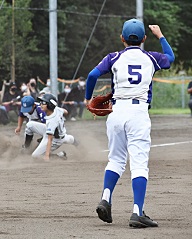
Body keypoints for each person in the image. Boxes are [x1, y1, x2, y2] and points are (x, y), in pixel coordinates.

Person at [84, 19, 175, 228]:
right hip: (138, 113)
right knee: (139, 164)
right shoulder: (152, 57)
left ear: (121, 38)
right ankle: (137, 212)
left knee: (115, 160)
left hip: (116, 113)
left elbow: (92, 75)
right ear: (143, 39)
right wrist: (160, 35)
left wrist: (89, 98)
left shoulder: (113, 57)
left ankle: (106, 198)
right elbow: (170, 58)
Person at [32, 93, 78, 160]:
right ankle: (78, 145)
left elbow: (50, 139)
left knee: (35, 156)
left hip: (55, 140)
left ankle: (59, 156)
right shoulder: (57, 109)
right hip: (63, 135)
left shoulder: (52, 120)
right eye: (41, 102)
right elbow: (66, 112)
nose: (40, 104)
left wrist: (47, 156)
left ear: (50, 105)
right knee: (69, 139)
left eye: (43, 103)